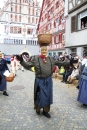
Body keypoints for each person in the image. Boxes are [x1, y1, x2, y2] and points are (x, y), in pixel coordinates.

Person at [16, 45, 70, 118]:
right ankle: (38, 109)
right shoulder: (36, 58)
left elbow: (61, 63)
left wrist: (71, 61)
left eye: (45, 50)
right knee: (39, 95)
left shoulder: (51, 59)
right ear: (40, 50)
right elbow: (28, 65)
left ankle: (45, 111)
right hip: (39, 80)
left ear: (47, 50)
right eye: (42, 50)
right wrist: (22, 60)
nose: (44, 51)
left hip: (48, 80)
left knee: (47, 96)